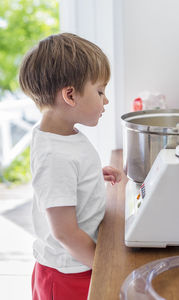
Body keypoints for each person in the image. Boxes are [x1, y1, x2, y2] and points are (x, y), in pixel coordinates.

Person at [19, 33, 122, 300]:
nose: (105, 101)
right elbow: (65, 233)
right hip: (69, 272)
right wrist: (107, 268)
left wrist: (87, 179)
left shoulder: (61, 136)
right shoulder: (55, 155)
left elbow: (59, 185)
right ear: (70, 95)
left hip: (76, 263)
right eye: (100, 91)